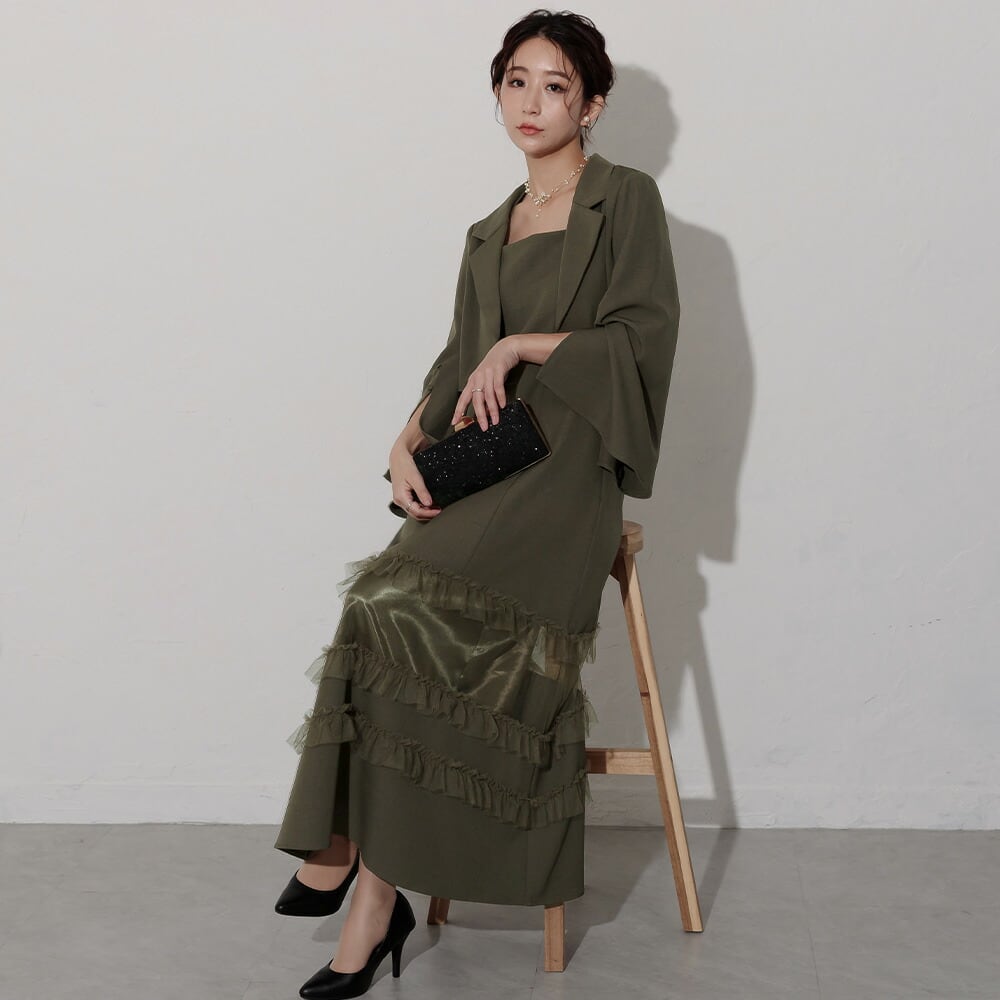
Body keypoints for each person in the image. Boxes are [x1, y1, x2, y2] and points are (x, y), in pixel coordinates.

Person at [272, 9, 680, 999]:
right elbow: (458, 360)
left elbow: (644, 336)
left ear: (592, 104)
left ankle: (364, 888)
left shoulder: (624, 199)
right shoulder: (487, 230)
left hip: (568, 468)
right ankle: (372, 885)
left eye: (555, 86)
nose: (532, 103)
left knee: (398, 605)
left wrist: (524, 346)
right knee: (378, 605)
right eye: (515, 82)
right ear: (497, 93)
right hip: (493, 462)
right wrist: (403, 440)